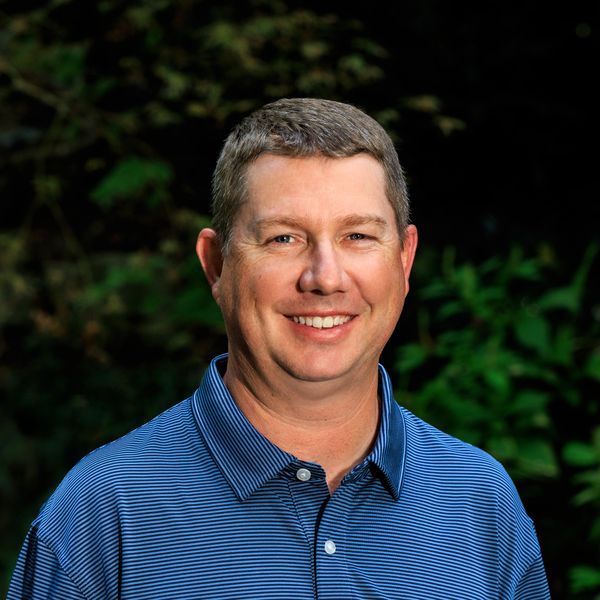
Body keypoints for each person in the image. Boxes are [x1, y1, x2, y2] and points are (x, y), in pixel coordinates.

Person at [7, 98, 550, 599]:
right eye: (283, 238)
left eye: (358, 236)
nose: (325, 278)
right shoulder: (104, 511)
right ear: (217, 265)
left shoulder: (481, 503)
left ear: (404, 261)